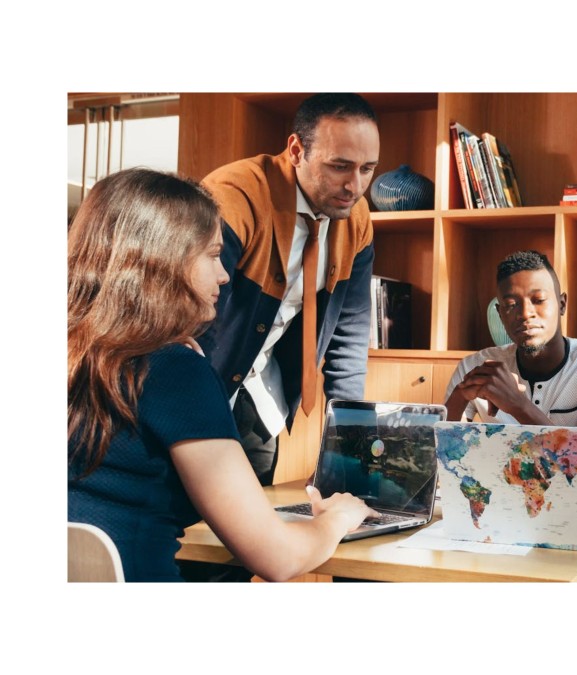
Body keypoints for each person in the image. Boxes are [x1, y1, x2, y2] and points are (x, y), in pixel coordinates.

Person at [68, 168, 377, 582]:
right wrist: (337, 519)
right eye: (213, 255)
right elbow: (277, 558)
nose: (225, 274)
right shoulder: (172, 370)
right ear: (164, 260)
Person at [199, 93, 379, 487]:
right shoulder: (235, 195)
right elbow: (193, 317)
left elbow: (348, 337)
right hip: (201, 387)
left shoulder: (357, 219)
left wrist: (348, 443)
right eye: (339, 166)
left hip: (262, 400)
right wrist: (191, 416)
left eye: (367, 169)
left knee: (251, 534)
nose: (355, 186)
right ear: (296, 150)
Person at [444, 250, 577, 441]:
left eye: (538, 300)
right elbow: (440, 453)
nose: (525, 313)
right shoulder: (476, 368)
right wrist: (460, 395)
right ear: (500, 314)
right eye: (511, 305)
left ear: (562, 304)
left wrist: (517, 405)